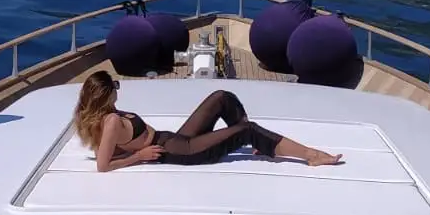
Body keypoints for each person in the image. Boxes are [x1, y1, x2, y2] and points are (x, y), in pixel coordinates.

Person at [72, 71, 342, 172]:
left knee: (221, 97)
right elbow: (103, 166)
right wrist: (139, 156)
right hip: (182, 151)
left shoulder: (110, 113)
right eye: (115, 85)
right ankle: (311, 155)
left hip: (174, 139)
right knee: (247, 130)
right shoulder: (110, 121)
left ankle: (263, 144)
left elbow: (110, 148)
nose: (118, 88)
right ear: (105, 94)